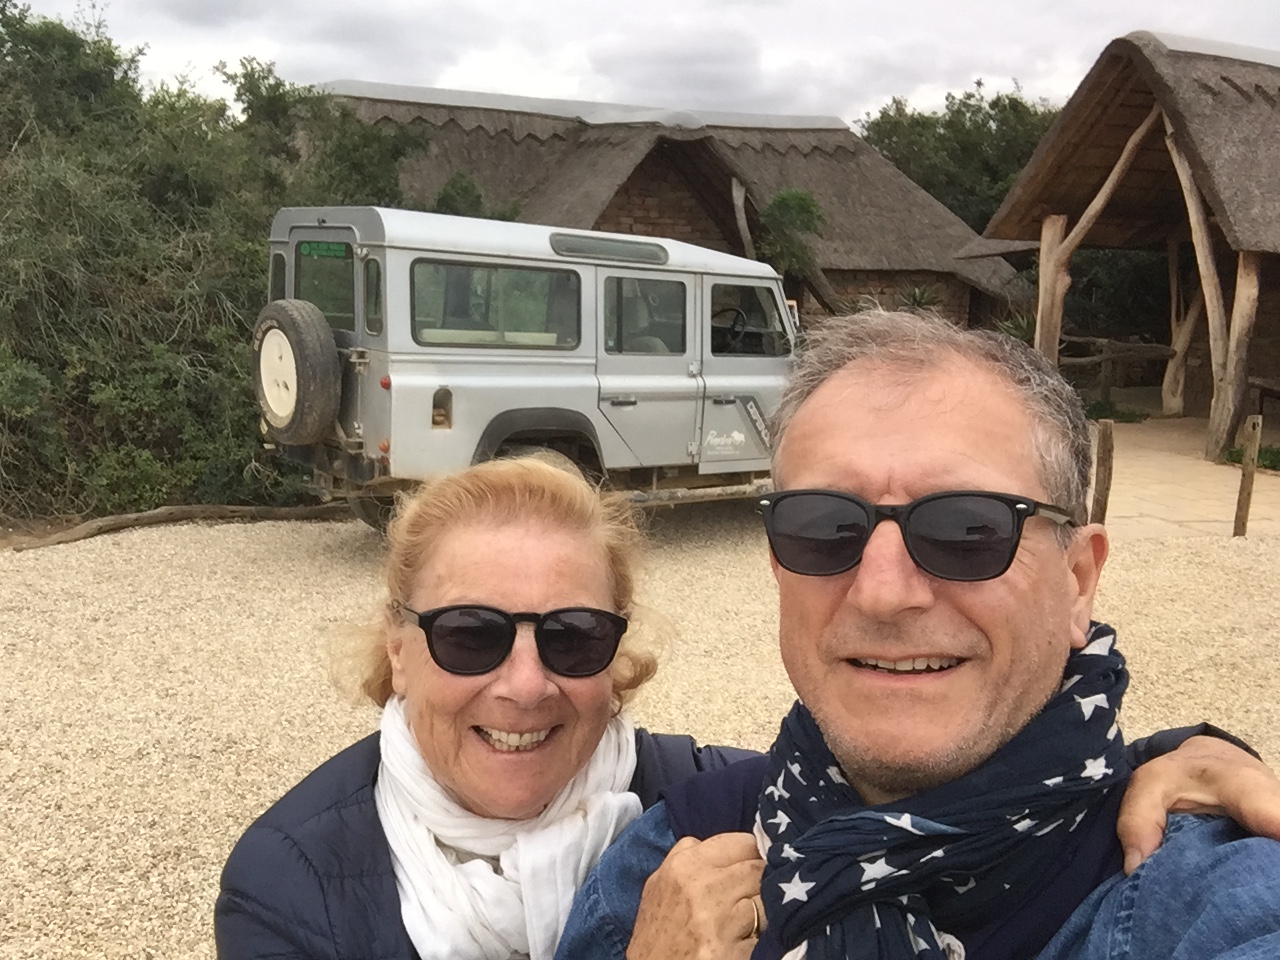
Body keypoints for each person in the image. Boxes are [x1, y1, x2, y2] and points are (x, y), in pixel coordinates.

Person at [556, 310, 1280, 960]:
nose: (883, 592)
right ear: (779, 567)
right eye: (824, 527)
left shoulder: (1202, 896)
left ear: (1078, 580)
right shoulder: (664, 868)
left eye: (967, 529)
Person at [214, 457, 755, 960]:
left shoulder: (734, 806)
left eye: (572, 637)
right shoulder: (287, 889)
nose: (526, 686)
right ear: (398, 651)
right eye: (470, 636)